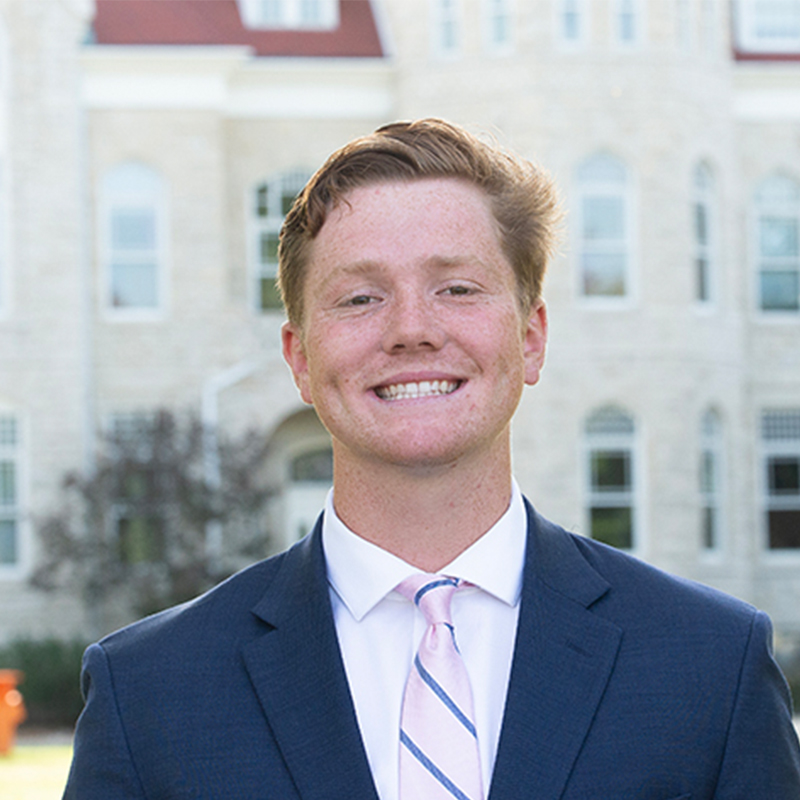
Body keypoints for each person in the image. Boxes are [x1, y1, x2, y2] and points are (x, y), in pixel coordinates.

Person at [64, 119, 800, 799]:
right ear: (300, 358)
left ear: (532, 337)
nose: (411, 329)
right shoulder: (148, 692)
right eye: (359, 298)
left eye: (457, 288)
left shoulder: (713, 668)